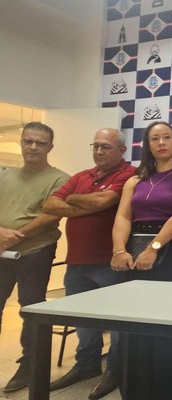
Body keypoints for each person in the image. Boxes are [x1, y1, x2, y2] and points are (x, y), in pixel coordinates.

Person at [42, 128, 135, 399]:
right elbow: (49, 205)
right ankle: (86, 365)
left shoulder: (129, 174)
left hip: (110, 262)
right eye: (96, 146)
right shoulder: (82, 176)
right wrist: (84, 204)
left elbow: (104, 200)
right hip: (77, 262)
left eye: (106, 147)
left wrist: (70, 199)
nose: (99, 151)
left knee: (117, 322)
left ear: (121, 150)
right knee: (83, 320)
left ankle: (115, 369)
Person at [110, 121, 172, 400]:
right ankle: (135, 387)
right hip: (133, 249)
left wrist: (154, 248)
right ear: (147, 145)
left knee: (166, 318)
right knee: (133, 319)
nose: (161, 142)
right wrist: (118, 250)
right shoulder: (134, 180)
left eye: (167, 137)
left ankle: (167, 386)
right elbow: (123, 216)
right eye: (155, 138)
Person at [0, 122, 69, 393]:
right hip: (1, 250)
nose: (33, 147)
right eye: (28, 141)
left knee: (30, 310)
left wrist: (14, 236)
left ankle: (28, 367)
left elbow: (51, 216)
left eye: (40, 143)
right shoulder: (5, 175)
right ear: (21, 142)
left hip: (35, 252)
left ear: (50, 147)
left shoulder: (60, 179)